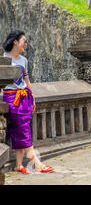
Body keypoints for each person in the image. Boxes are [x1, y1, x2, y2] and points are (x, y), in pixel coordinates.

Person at [2, 30, 54, 174]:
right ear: (15, 42)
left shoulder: (23, 60)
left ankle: (18, 165)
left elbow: (26, 80)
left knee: (19, 129)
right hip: (11, 98)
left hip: (25, 97)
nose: (26, 43)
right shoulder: (3, 58)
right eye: (24, 40)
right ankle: (37, 163)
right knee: (23, 130)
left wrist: (33, 98)